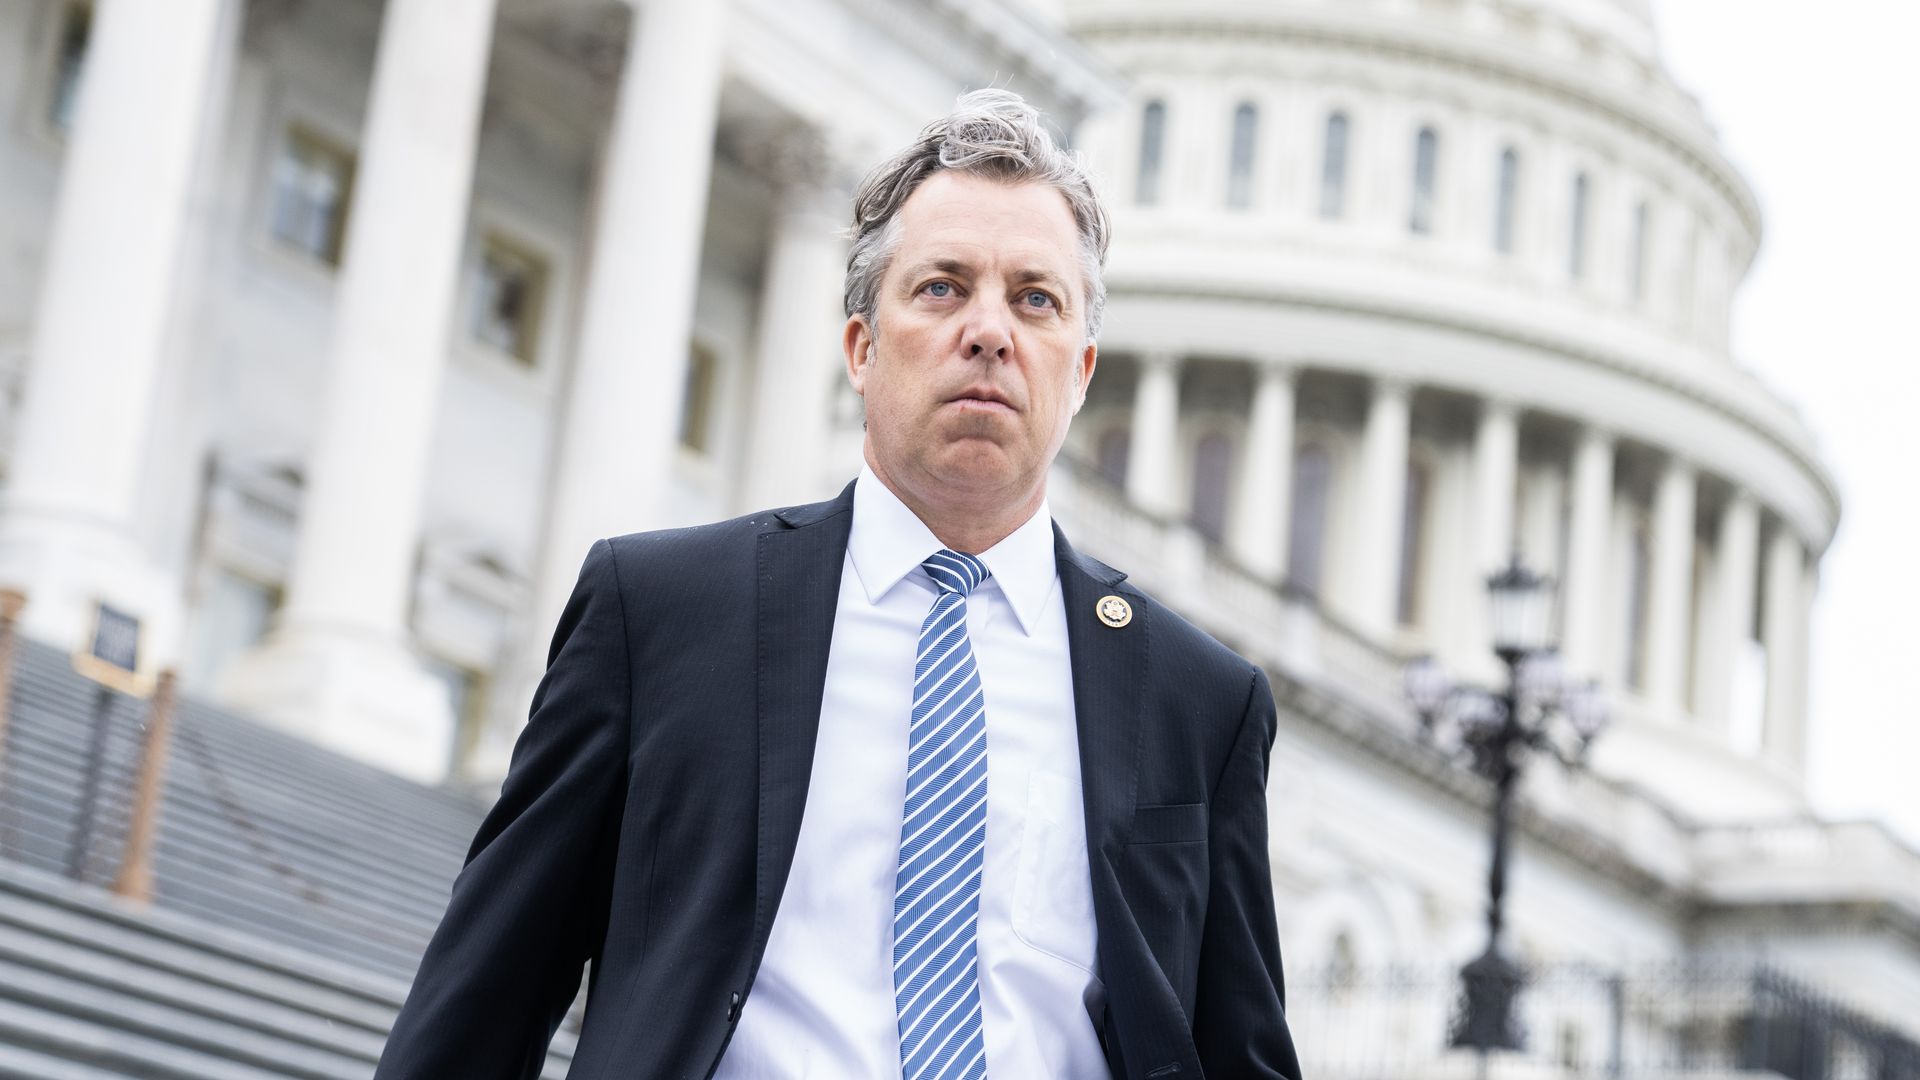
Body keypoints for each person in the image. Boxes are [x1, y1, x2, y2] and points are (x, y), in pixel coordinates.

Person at [374, 89, 1301, 1080]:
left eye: (1035, 299)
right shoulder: (663, 613)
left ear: (1079, 371)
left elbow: (1237, 1049)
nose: (990, 331)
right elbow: (486, 998)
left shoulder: (1199, 702)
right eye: (943, 288)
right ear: (862, 348)